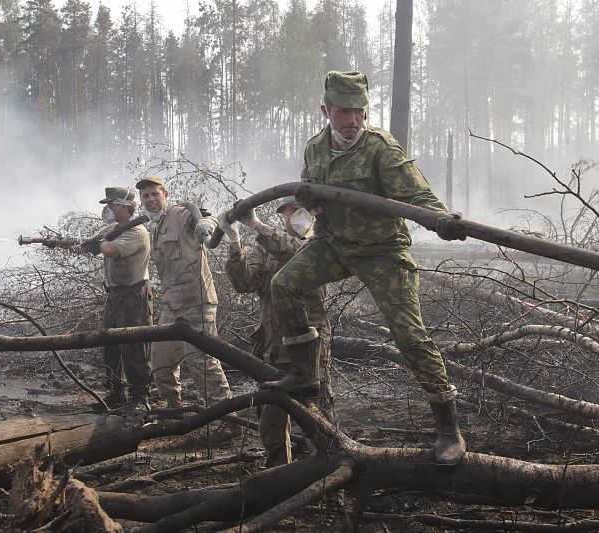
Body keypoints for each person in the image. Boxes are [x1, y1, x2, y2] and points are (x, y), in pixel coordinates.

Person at [269, 70, 467, 466]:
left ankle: (449, 429)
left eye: (359, 112)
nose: (352, 120)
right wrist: (307, 199)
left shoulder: (380, 148)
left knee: (410, 337)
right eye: (343, 111)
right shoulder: (315, 149)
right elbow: (312, 203)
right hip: (334, 246)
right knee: (284, 284)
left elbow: (417, 193)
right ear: (326, 110)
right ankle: (304, 373)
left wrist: (442, 219)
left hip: (382, 252)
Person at [218, 196, 331, 468]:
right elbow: (245, 283)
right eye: (285, 213)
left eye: (296, 211)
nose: (290, 217)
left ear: (312, 213)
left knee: (317, 416)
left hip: (307, 348)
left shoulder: (320, 244)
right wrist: (235, 242)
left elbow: (293, 252)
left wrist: (256, 225)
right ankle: (278, 475)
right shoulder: (267, 248)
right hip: (273, 345)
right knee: (270, 418)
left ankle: (328, 476)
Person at [135, 176, 237, 441]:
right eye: (145, 196)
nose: (150, 200)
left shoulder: (180, 214)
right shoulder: (155, 225)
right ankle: (174, 411)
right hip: (172, 304)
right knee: (160, 359)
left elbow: (208, 220)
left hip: (197, 302)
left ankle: (228, 422)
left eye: (154, 194)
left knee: (202, 362)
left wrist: (207, 223)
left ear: (165, 194)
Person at [90, 187, 153, 410]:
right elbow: (95, 245)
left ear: (125, 207)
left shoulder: (136, 232)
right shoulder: (113, 229)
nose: (108, 209)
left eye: (112, 205)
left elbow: (110, 250)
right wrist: (59, 242)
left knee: (134, 348)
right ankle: (116, 393)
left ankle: (139, 398)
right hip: (115, 295)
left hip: (134, 296)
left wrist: (95, 244)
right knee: (110, 346)